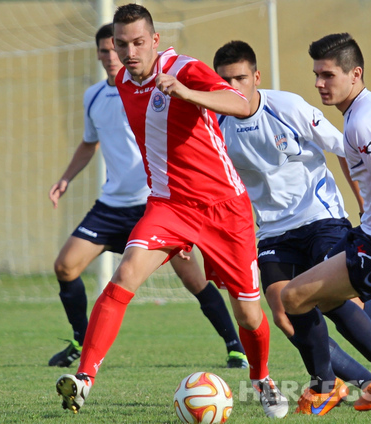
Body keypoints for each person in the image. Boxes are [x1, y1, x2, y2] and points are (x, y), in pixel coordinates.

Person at [55, 5, 288, 419]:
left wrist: (187, 93)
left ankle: (261, 377)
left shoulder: (186, 68)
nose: (129, 52)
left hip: (224, 208)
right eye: (120, 44)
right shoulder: (123, 82)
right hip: (169, 205)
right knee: (126, 273)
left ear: (155, 40)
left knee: (249, 313)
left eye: (138, 43)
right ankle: (85, 378)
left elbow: (241, 102)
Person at [213, 40, 371, 415]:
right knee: (287, 309)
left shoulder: (294, 108)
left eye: (240, 78)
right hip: (276, 231)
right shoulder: (217, 125)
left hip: (321, 218)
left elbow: (352, 156)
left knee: (331, 301)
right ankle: (370, 379)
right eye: (224, 81)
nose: (233, 88)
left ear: (256, 77)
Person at [48, 23, 248, 371]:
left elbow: (218, 110)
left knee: (193, 279)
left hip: (156, 201)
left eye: (127, 46)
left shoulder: (159, 81)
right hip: (111, 204)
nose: (119, 55)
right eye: (111, 49)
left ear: (150, 43)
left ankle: (234, 346)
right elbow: (89, 142)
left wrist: (186, 94)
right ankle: (83, 343)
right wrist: (66, 178)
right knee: (66, 266)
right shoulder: (96, 95)